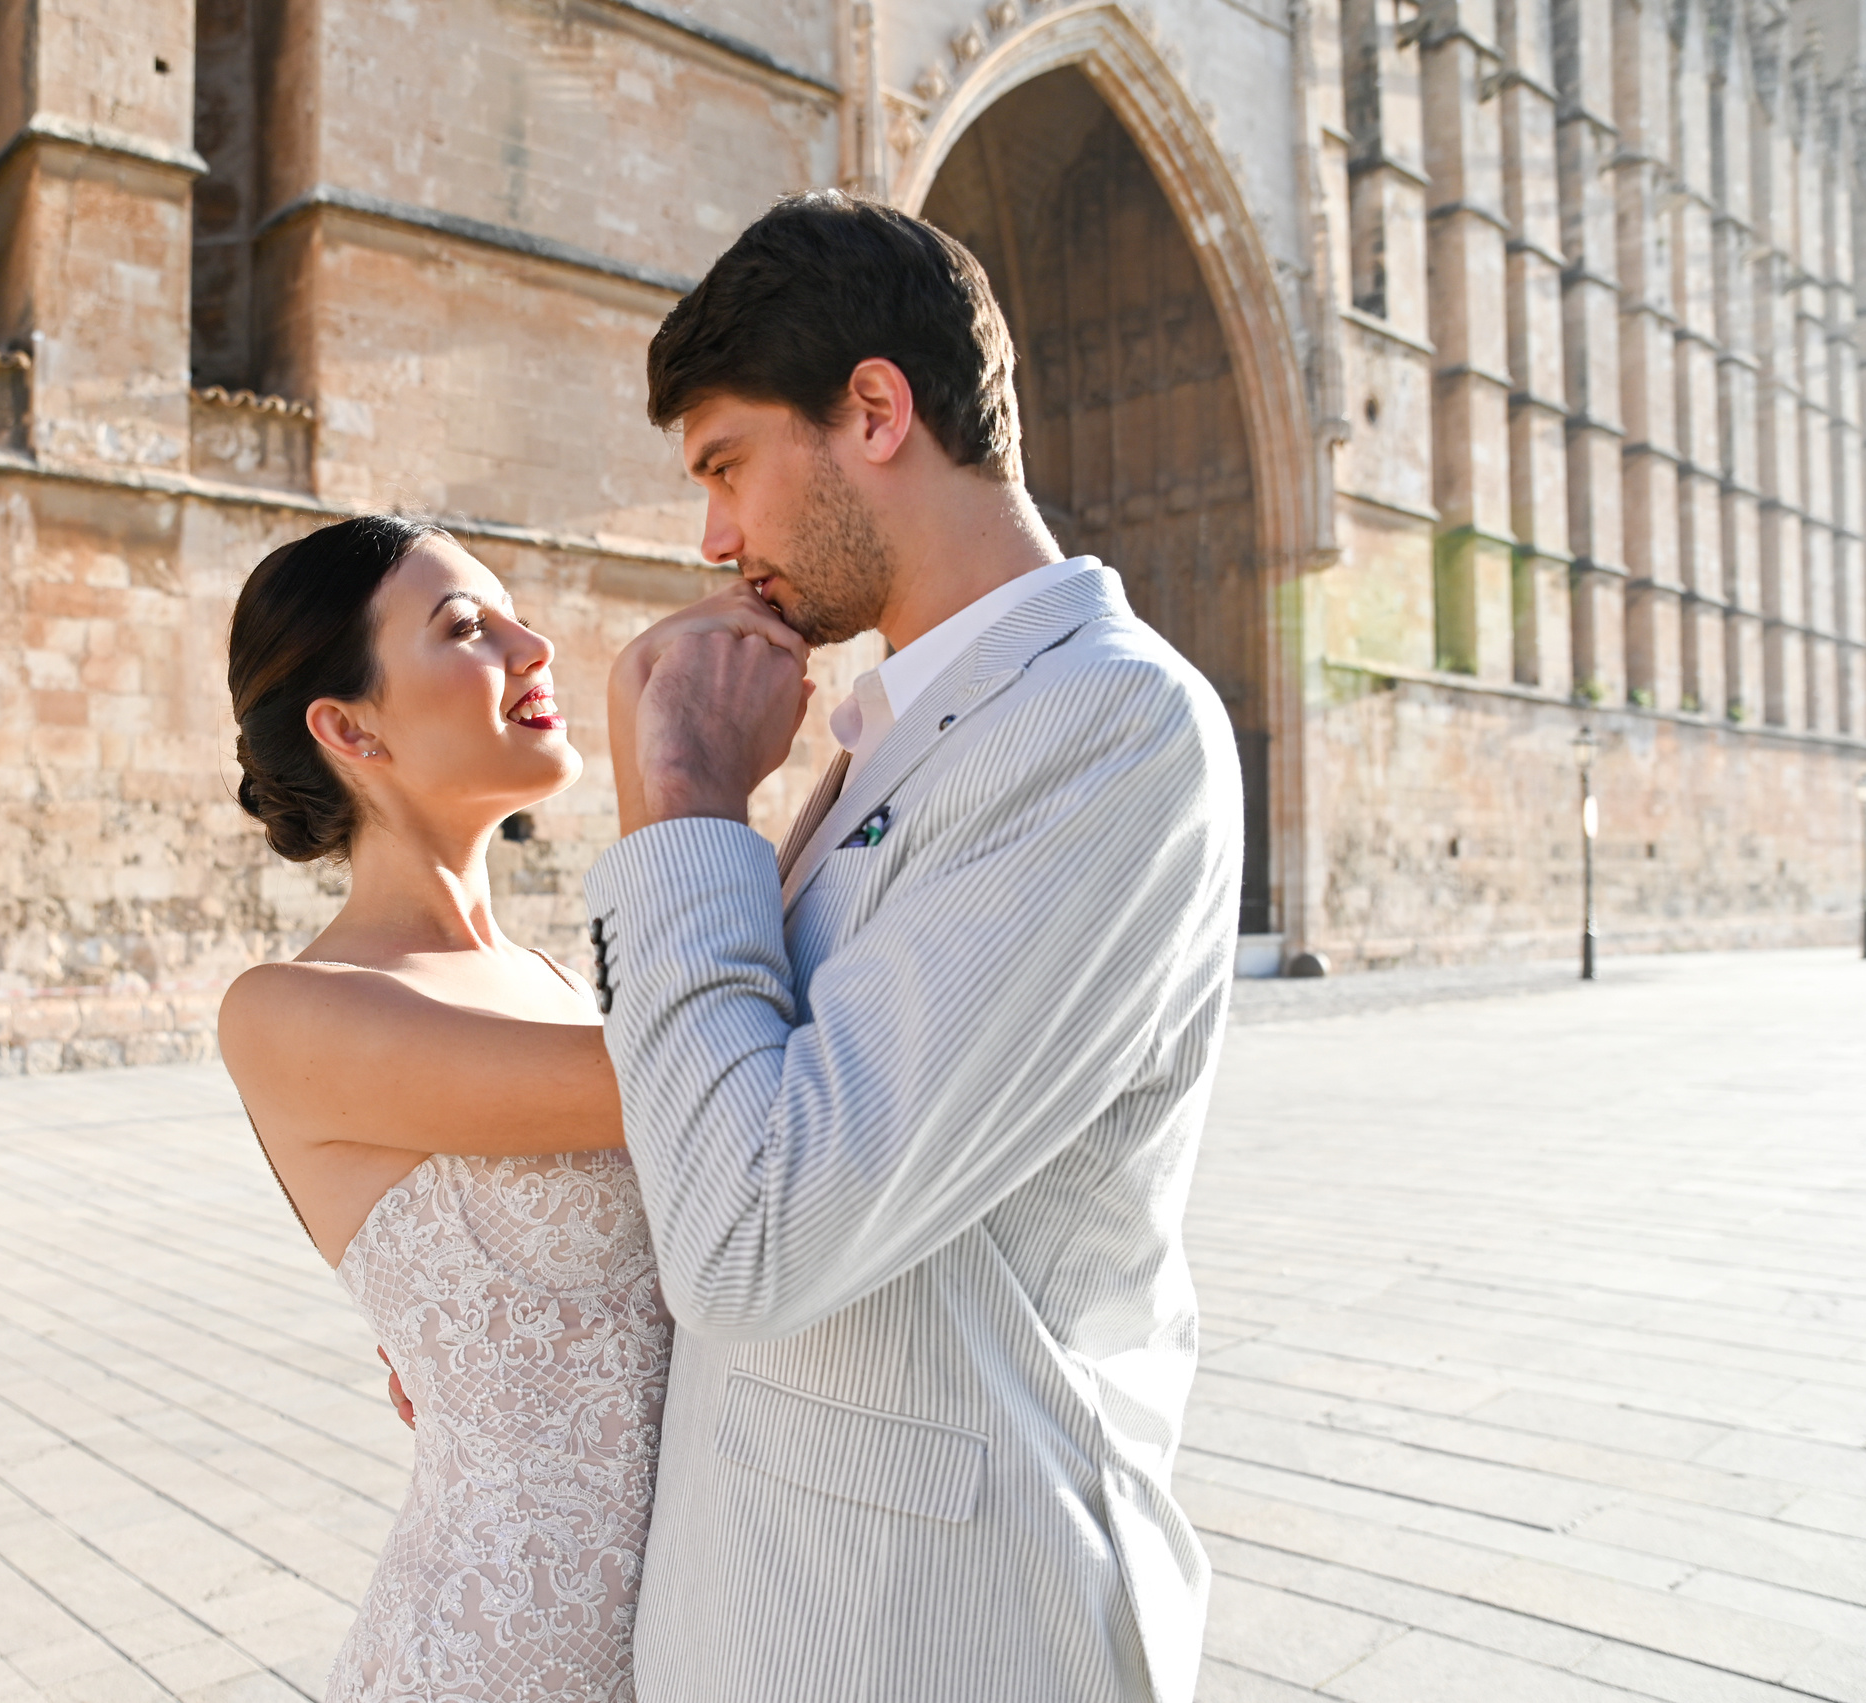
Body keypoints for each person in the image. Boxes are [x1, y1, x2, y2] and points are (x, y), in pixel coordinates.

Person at [583, 191, 1242, 1702]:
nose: (712, 538)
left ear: (875, 410)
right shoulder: (910, 721)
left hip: (930, 1624)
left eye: (726, 464)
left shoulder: (1108, 723)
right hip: (783, 1604)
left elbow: (755, 1233)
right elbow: (718, 1114)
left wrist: (683, 805)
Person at [213, 513, 797, 1703]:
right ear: (349, 727)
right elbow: (706, 1075)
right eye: (468, 627)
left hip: (707, 1631)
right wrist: (663, 747)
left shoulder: (554, 980)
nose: (534, 648)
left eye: (517, 617)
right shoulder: (288, 1011)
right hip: (496, 1653)